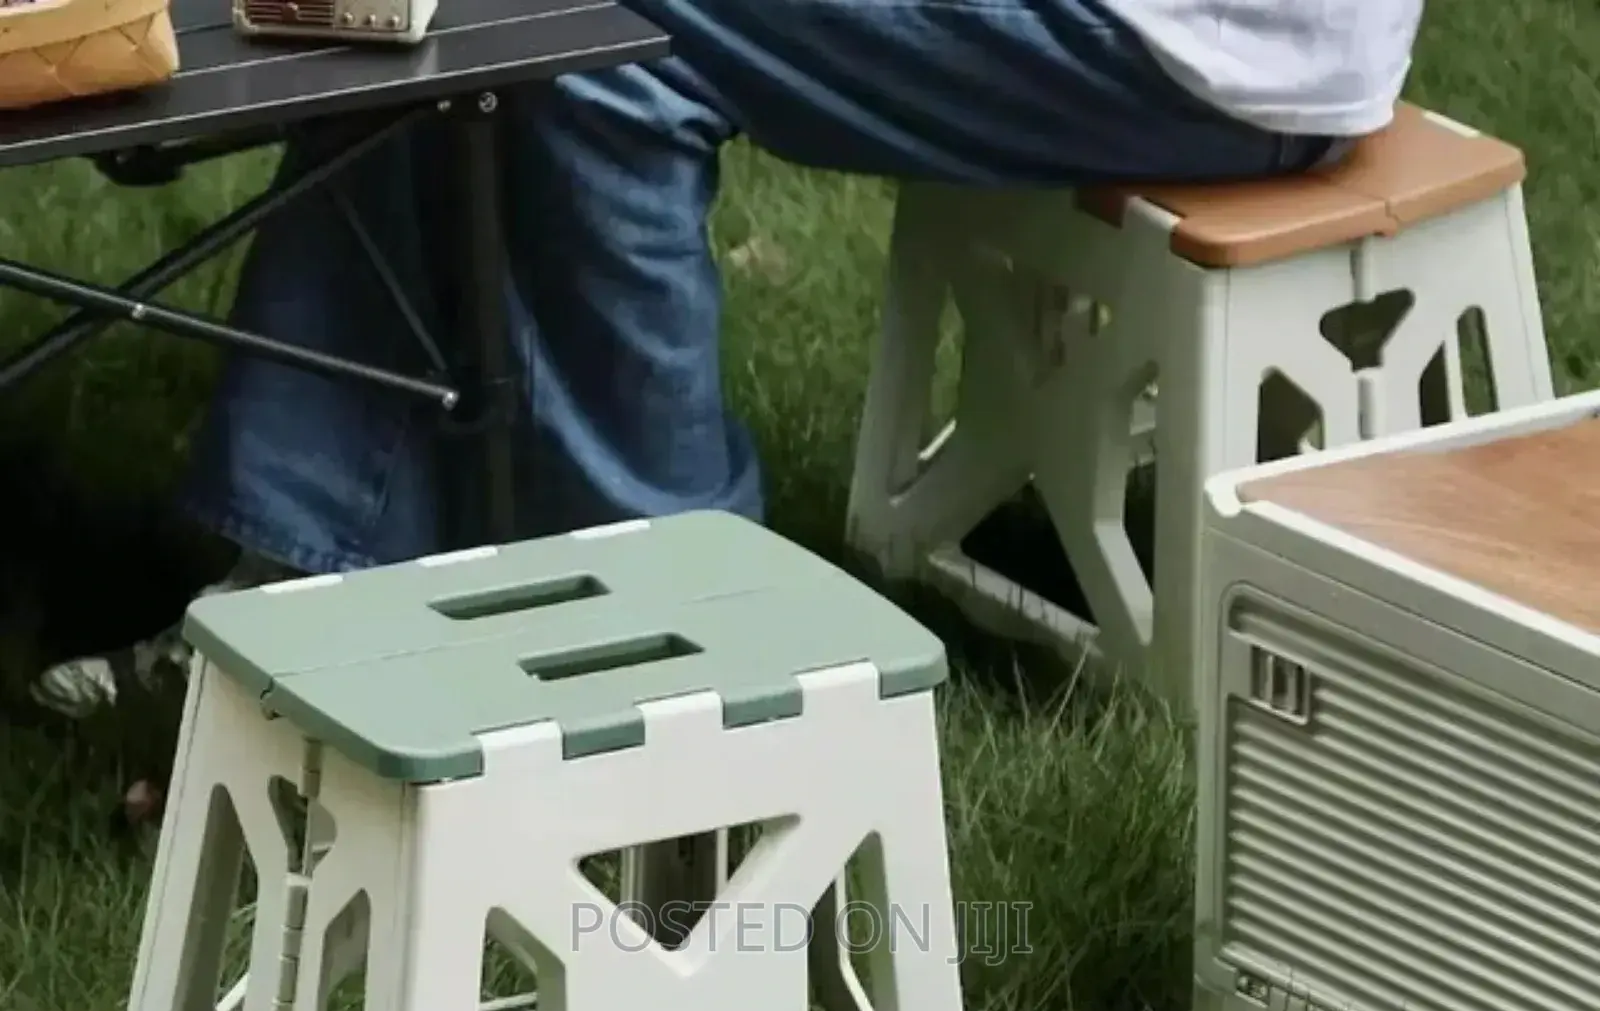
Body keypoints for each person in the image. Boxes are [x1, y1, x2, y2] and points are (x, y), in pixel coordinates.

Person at [35, 0, 1426, 714]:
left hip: (1192, 43)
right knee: (465, 10)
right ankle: (322, 574)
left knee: (576, 30)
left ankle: (678, 666)